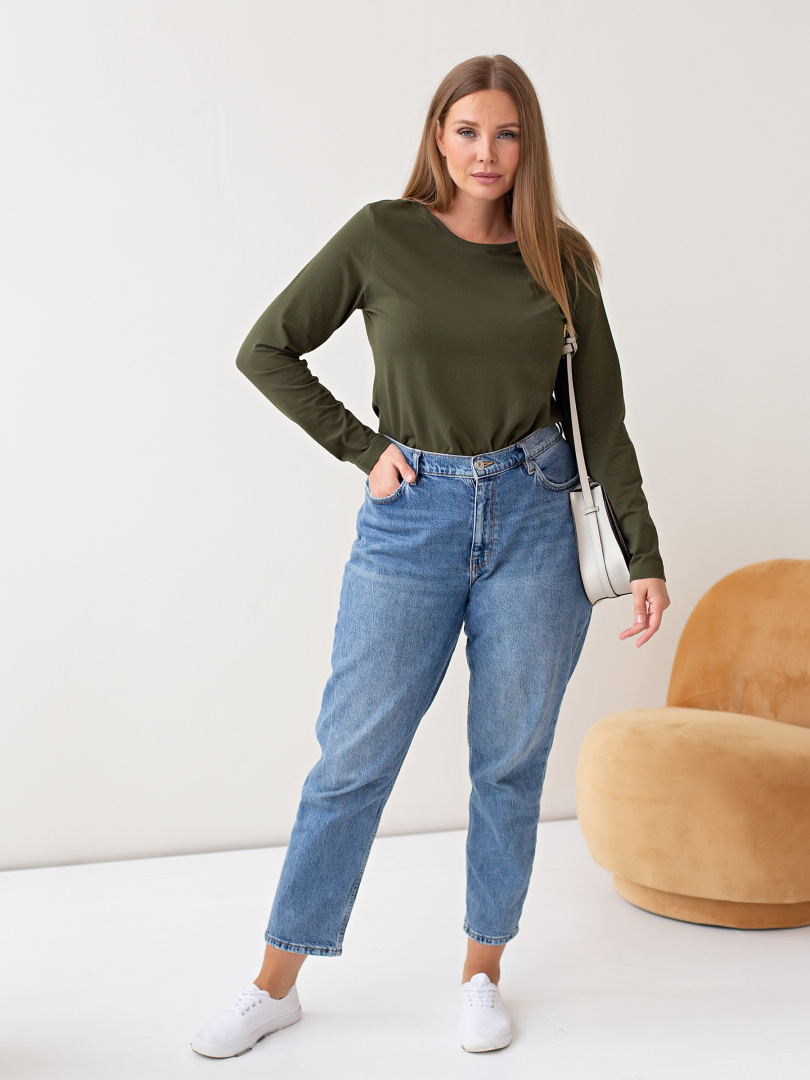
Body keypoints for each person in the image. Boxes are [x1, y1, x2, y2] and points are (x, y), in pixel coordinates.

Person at [191, 52, 670, 1059]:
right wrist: (363, 449)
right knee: (352, 759)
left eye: (506, 133)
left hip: (536, 519)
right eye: (467, 131)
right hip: (411, 522)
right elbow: (265, 349)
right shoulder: (383, 235)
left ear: (529, 145)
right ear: (438, 139)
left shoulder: (561, 259)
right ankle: (275, 982)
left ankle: (482, 974)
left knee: (509, 761)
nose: (486, 152)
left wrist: (644, 552)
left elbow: (602, 418)